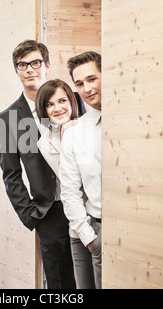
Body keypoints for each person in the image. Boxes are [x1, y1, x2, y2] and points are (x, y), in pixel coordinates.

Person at [0, 40, 85, 289]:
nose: (29, 69)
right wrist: (31, 215)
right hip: (49, 212)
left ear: (46, 65)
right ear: (16, 71)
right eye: (22, 65)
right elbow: (10, 174)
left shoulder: (72, 101)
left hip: (86, 205)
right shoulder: (8, 118)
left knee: (93, 278)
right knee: (59, 281)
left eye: (35, 63)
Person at [35, 79, 96, 289]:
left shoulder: (92, 124)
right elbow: (71, 180)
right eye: (49, 104)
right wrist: (67, 135)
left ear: (72, 100)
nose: (57, 108)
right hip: (79, 221)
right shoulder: (45, 142)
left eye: (62, 100)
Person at [59, 51, 102, 289]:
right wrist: (91, 240)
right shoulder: (74, 134)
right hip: (96, 229)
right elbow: (70, 192)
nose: (87, 88)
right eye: (79, 84)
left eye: (92, 79)